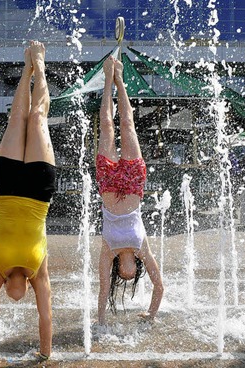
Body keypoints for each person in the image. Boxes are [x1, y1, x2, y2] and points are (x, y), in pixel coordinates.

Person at [0, 41, 56, 367]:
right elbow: (47, 315)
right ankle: (39, 67)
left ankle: (26, 67)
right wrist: (45, 353)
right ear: (25, 288)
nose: (15, 296)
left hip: (7, 189)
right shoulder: (38, 273)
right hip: (39, 194)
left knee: (16, 119)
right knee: (37, 118)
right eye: (21, 296)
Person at [95, 56, 163, 325]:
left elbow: (102, 291)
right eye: (132, 275)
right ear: (136, 270)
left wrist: (100, 321)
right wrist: (151, 313)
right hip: (134, 182)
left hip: (108, 183)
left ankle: (108, 79)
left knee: (107, 126)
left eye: (122, 275)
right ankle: (119, 79)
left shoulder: (108, 251)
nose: (127, 274)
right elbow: (159, 287)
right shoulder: (142, 250)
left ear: (117, 271)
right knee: (128, 125)